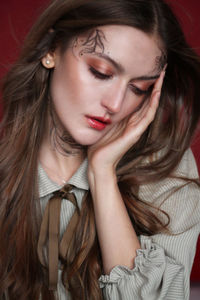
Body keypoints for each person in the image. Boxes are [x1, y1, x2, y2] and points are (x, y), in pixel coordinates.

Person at [0, 0, 200, 299]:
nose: (116, 104)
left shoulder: (167, 169)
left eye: (139, 88)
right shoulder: (7, 165)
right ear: (51, 50)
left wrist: (102, 174)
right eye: (101, 72)